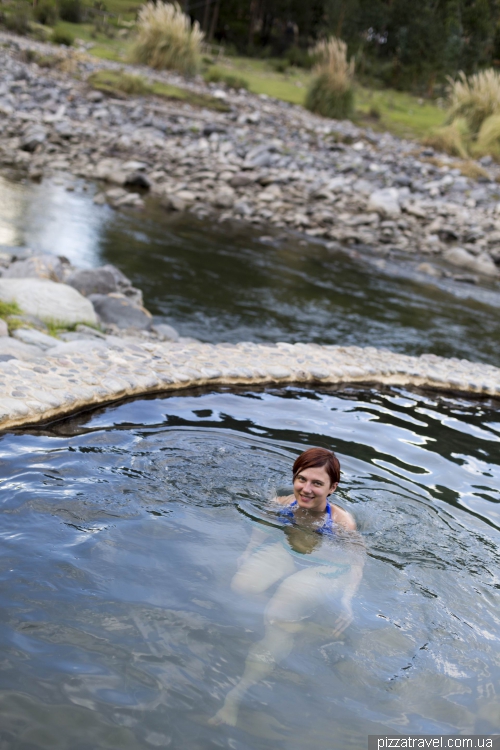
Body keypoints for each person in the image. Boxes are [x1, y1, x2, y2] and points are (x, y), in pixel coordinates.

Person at [210, 447, 364, 727]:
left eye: (317, 483)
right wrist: (249, 550)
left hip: (327, 567)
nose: (306, 489)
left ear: (332, 487)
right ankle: (293, 621)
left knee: (277, 615)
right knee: (242, 585)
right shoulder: (284, 503)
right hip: (290, 552)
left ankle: (236, 694)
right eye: (302, 479)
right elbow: (263, 524)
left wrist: (347, 600)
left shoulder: (343, 523)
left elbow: (357, 563)